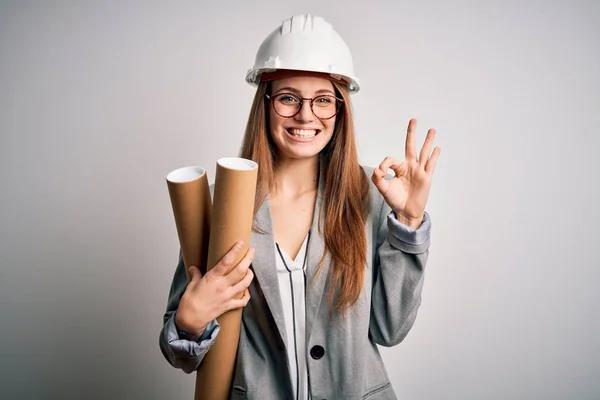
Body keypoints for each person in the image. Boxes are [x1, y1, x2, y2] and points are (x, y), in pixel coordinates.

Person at [159, 13, 441, 399]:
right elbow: (183, 355)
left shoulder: (373, 195)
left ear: (340, 110)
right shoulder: (217, 203)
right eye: (289, 98)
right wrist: (189, 322)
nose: (306, 115)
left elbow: (391, 329)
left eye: (323, 100)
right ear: (266, 103)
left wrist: (408, 222)